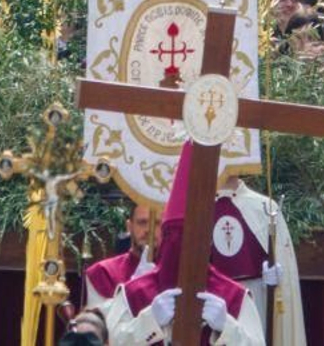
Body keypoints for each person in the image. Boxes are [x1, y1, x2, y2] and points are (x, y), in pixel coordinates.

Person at [101, 141, 263, 344]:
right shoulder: (134, 294)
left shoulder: (234, 298)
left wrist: (227, 329)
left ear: (207, 243)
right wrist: (149, 321)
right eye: (175, 240)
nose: (183, 252)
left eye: (193, 242)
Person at [209, 174, 304, 344]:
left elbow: (282, 260)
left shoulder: (263, 207)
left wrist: (275, 277)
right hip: (212, 296)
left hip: (255, 296)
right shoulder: (197, 206)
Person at [85, 202, 159, 312]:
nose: (149, 230)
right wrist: (134, 287)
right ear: (129, 227)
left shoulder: (179, 272)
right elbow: (99, 323)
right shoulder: (103, 272)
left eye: (157, 223)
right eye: (142, 222)